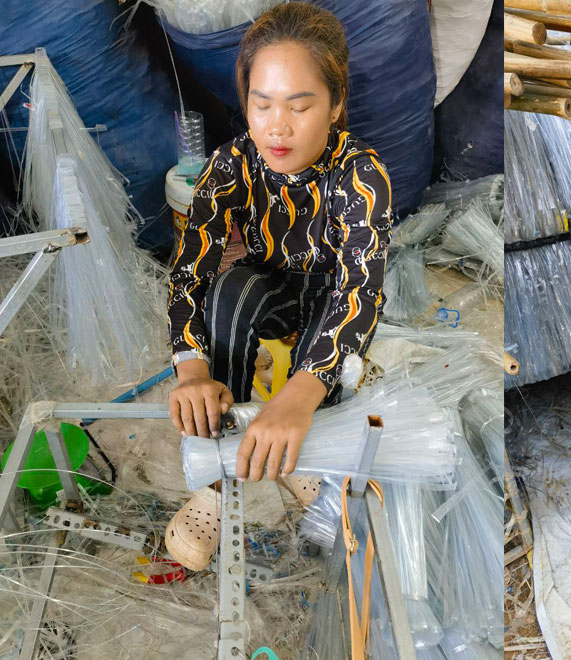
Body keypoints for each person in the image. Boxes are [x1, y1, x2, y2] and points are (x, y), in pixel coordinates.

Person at [163, 3, 391, 570]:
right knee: (228, 293)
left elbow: (360, 291)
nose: (277, 126)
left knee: (334, 369)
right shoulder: (232, 164)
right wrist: (191, 370)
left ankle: (302, 457)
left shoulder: (361, 175)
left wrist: (299, 397)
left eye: (300, 105)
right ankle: (219, 476)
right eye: (261, 104)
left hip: (330, 297)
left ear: (336, 104)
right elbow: (190, 268)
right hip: (273, 287)